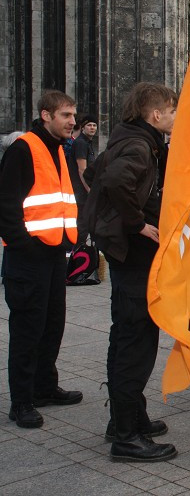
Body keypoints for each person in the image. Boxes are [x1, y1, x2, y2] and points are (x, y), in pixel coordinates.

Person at [81, 83, 177, 461]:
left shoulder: (134, 139)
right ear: (155, 115)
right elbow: (114, 180)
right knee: (136, 342)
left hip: (127, 256)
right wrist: (136, 223)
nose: (174, 115)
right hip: (135, 256)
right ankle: (126, 437)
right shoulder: (139, 145)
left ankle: (127, 417)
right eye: (171, 110)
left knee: (125, 336)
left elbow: (96, 176)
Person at [0, 90, 82, 429]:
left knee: (52, 325)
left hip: (53, 255)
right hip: (28, 258)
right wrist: (24, 245)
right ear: (46, 115)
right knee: (27, 330)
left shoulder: (60, 151)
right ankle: (21, 402)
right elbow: (6, 206)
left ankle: (45, 388)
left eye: (73, 116)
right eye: (66, 115)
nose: (73, 122)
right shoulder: (23, 149)